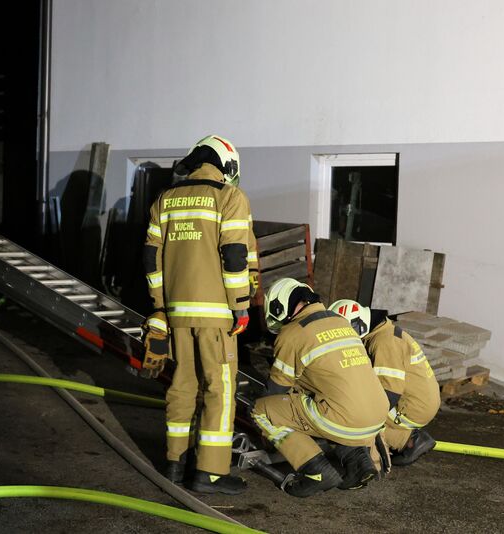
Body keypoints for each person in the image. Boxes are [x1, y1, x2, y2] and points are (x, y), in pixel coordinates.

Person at [143, 134, 254, 495]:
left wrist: (160, 305)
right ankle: (210, 472)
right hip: (216, 316)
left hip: (177, 314)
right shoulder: (229, 197)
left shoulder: (166, 199)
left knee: (182, 386)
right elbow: (234, 255)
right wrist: (240, 306)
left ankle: (175, 464)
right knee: (219, 390)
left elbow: (151, 257)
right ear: (227, 165)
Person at [250, 278, 389, 497]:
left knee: (262, 411)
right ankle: (357, 463)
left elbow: (277, 389)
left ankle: (315, 471)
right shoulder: (340, 321)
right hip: (378, 415)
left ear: (279, 308)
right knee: (330, 397)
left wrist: (265, 432)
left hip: (345, 419)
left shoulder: (293, 333)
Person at [329, 299, 440, 466]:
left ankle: (408, 441)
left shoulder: (384, 342)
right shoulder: (384, 332)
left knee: (350, 418)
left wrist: (363, 418)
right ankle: (406, 438)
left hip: (412, 408)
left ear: (357, 326)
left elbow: (390, 393)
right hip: (420, 402)